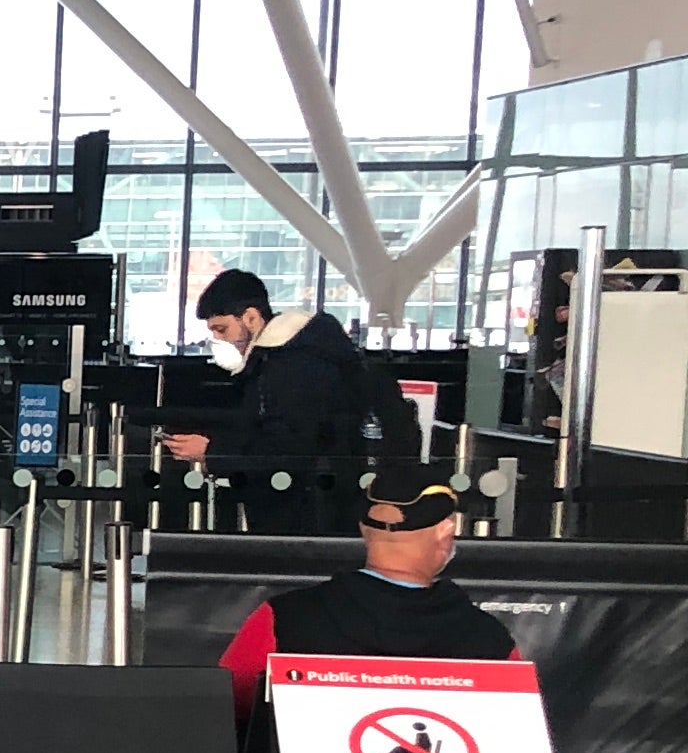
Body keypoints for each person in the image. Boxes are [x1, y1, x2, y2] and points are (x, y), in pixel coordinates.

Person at [218, 469, 513, 704]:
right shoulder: (489, 641)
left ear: (363, 528)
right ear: (446, 531)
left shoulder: (284, 618)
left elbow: (222, 711)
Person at [159, 267, 394, 528]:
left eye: (222, 329)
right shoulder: (294, 356)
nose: (219, 339)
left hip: (304, 511)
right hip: (316, 500)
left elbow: (290, 444)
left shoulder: (293, 365)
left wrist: (212, 452)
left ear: (250, 317)